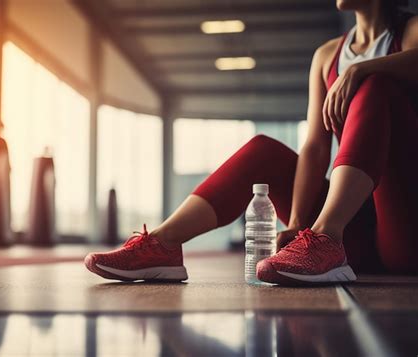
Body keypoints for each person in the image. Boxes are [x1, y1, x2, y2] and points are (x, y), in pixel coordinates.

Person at [85, 0, 418, 285]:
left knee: (376, 87)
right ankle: (164, 243)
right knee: (263, 151)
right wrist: (299, 222)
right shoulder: (328, 56)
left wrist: (360, 71)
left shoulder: (410, 32)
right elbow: (316, 147)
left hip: (404, 230)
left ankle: (327, 236)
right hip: (355, 232)